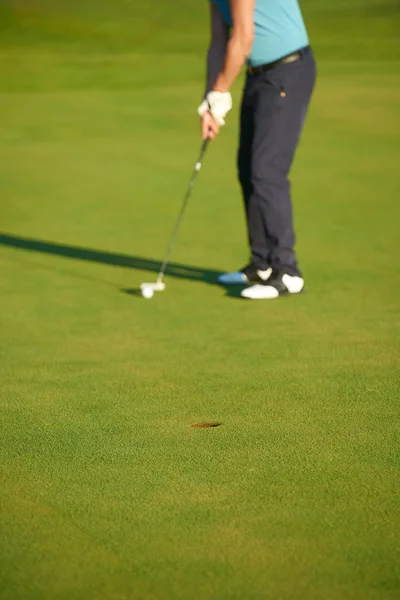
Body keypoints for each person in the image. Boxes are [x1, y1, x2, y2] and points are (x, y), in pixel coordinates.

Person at [198, 0, 316, 299]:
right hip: (258, 75)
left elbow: (244, 36)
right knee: (248, 169)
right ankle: (262, 264)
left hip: (288, 71)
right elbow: (219, 41)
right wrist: (210, 99)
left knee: (267, 171)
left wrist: (222, 91)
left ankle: (287, 271)